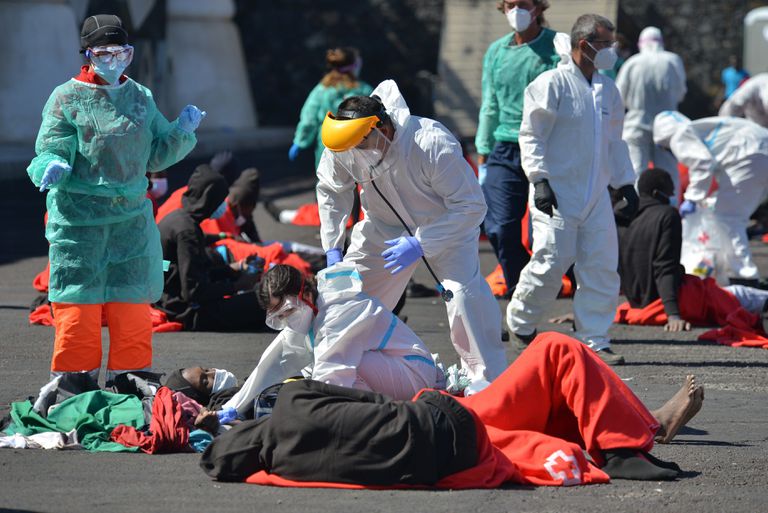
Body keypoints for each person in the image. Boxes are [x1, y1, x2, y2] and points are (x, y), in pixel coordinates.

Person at [200, 332, 703, 486]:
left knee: (548, 404)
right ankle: (629, 437)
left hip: (450, 442)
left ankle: (633, 429)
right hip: (442, 416)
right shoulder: (291, 403)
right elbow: (371, 404)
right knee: (556, 350)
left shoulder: (285, 467)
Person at [26, 14, 203, 382]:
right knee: (78, 302)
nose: (114, 60)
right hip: (80, 223)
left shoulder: (139, 96)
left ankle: (131, 379)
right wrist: (52, 164)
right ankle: (74, 383)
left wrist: (180, 133)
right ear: (88, 53)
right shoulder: (66, 97)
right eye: (105, 53)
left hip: (130, 223)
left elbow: (153, 154)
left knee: (133, 303)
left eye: (122, 52)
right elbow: (50, 145)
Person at [317, 80, 507, 390]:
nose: (356, 156)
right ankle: (335, 370)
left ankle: (486, 383)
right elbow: (331, 190)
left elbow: (471, 206)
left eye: (362, 147)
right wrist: (333, 249)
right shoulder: (346, 144)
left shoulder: (429, 142)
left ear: (383, 129)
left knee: (462, 297)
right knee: (348, 296)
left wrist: (422, 242)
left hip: (445, 226)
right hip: (382, 226)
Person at [506, 15, 638, 365]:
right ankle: (521, 325)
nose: (612, 51)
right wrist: (540, 180)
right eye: (607, 45)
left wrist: (625, 182)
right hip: (558, 193)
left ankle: (595, 339)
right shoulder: (551, 84)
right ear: (585, 45)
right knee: (551, 261)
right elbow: (531, 134)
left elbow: (615, 142)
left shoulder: (608, 90)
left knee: (601, 265)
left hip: (595, 196)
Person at [220, 263, 445, 417]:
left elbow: (331, 377)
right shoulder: (308, 310)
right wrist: (234, 407)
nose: (286, 321)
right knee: (313, 365)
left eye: (287, 312)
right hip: (390, 366)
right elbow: (272, 363)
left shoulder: (340, 311)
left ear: (305, 294)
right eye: (278, 318)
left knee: (332, 369)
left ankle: (373, 415)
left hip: (414, 371)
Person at [475, 0, 559, 297]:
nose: (517, 11)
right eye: (511, 4)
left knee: (549, 231)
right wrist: (483, 152)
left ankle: (556, 286)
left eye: (523, 4)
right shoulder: (497, 51)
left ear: (538, 7)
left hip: (547, 145)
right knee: (498, 226)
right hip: (505, 147)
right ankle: (519, 284)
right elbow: (490, 102)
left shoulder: (556, 46)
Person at [618, 168, 768, 332]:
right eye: (670, 193)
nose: (673, 197)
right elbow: (665, 268)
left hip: (638, 303)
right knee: (740, 295)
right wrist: (673, 315)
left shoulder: (625, 218)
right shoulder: (666, 215)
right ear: (657, 193)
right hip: (675, 300)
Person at [653, 111, 768, 285]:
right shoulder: (699, 128)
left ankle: (744, 277)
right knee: (736, 217)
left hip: (747, 154)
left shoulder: (679, 135)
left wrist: (692, 198)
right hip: (758, 149)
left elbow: (703, 163)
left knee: (728, 218)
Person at [156, 164, 266, 331]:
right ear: (210, 199)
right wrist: (238, 285)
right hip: (185, 312)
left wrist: (234, 268)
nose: (222, 206)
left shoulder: (177, 219)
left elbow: (191, 273)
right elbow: (193, 291)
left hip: (166, 302)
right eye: (220, 200)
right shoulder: (187, 232)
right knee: (263, 300)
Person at [615, 26, 686, 196]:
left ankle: (635, 211)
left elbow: (618, 96)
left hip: (637, 123)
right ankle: (669, 211)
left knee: (635, 171)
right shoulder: (673, 60)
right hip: (667, 126)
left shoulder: (632, 63)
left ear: (641, 44)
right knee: (667, 174)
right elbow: (681, 93)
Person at [289, 47, 373, 168]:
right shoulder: (364, 90)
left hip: (329, 145)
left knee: (329, 182)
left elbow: (309, 118)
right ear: (355, 65)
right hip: (359, 143)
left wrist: (299, 141)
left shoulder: (322, 89)